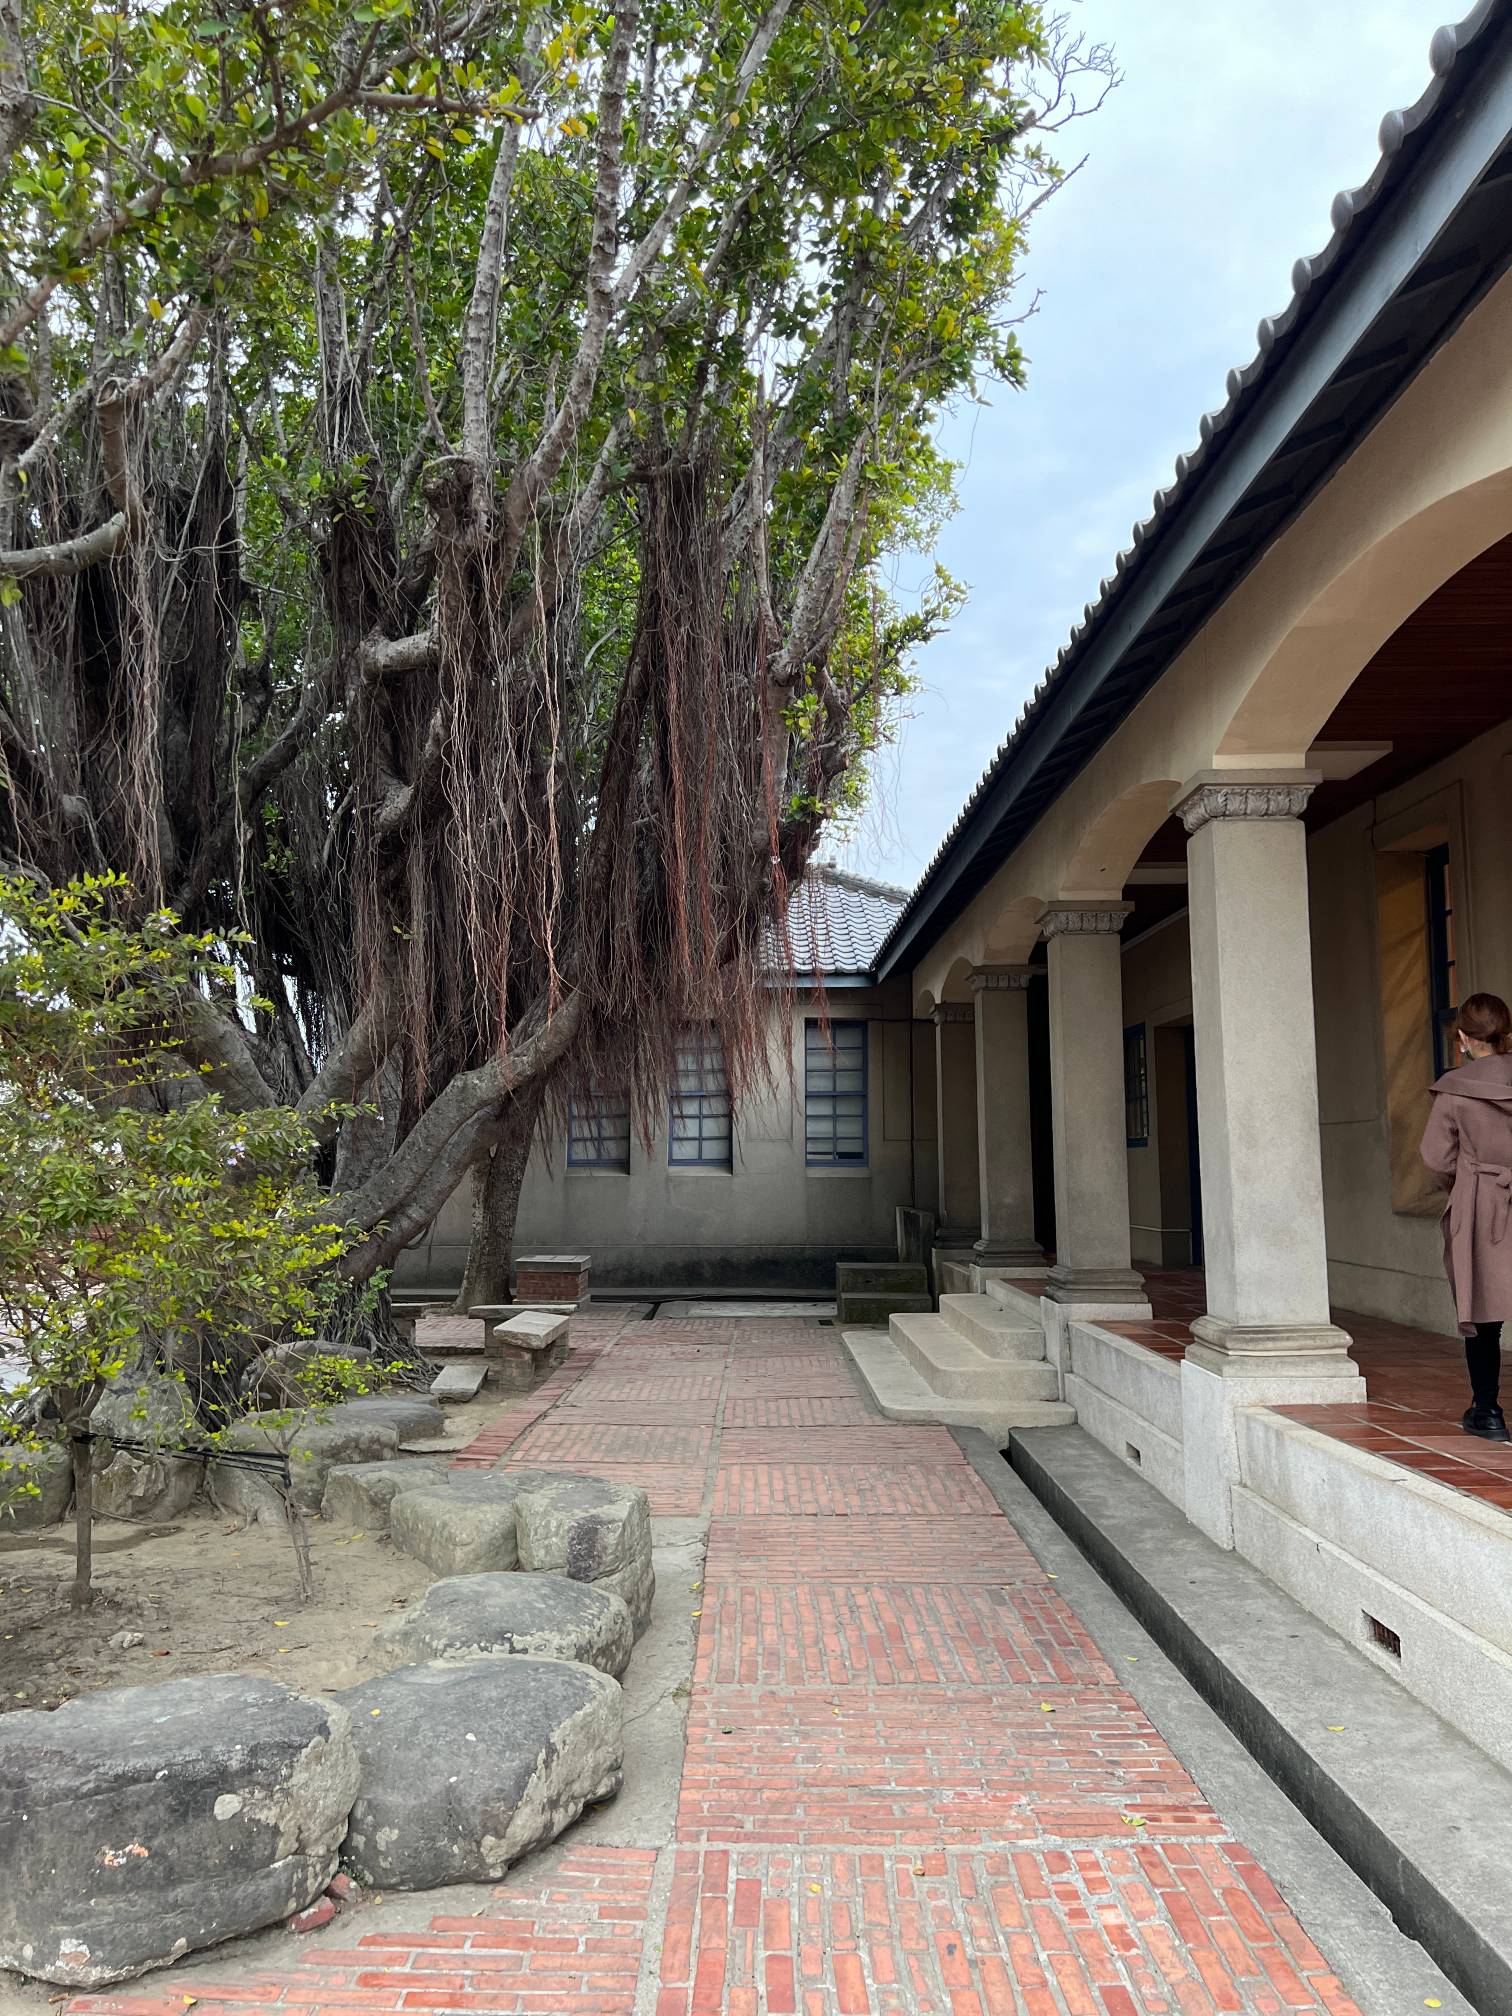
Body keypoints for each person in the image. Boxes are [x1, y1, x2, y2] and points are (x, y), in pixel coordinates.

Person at [1420, 992, 1512, 1442]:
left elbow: (1436, 1157)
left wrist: (1467, 1182)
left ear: (1462, 1037)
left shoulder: (1455, 1089)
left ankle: (1488, 1411)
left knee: (1483, 1309)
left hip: (1483, 1204)